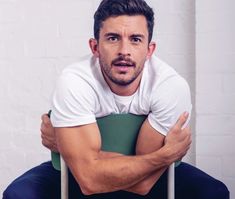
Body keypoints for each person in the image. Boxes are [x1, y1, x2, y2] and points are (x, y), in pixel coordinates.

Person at [3, 0, 229, 199]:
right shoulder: (75, 81)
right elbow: (89, 180)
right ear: (95, 47)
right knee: (18, 194)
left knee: (213, 192)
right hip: (76, 174)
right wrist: (164, 155)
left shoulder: (170, 87)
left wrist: (68, 146)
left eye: (135, 39)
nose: (124, 51)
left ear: (150, 50)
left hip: (151, 178)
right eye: (113, 38)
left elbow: (143, 184)